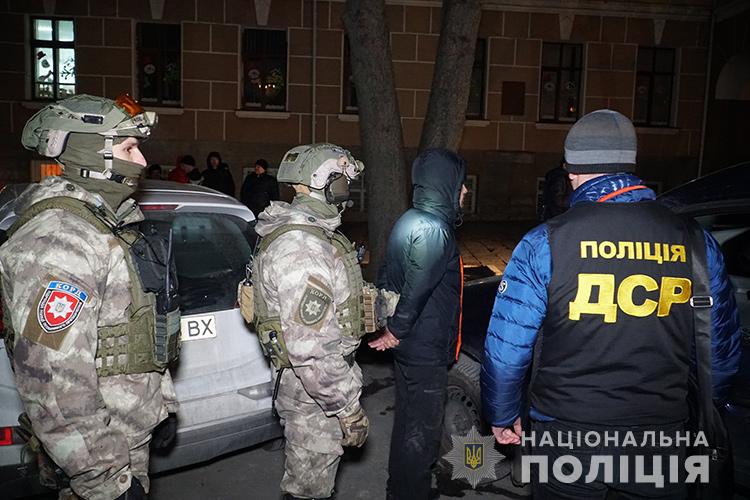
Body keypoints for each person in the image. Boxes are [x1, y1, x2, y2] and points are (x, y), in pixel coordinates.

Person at [481, 109, 742, 499]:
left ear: (571, 173)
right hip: (660, 438)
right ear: (632, 165)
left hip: (566, 436)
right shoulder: (695, 241)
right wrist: (710, 407)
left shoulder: (545, 242)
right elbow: (719, 349)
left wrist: (501, 414)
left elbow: (505, 352)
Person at [0, 94, 181, 500]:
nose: (142, 162)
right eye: (130, 148)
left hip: (123, 439)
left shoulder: (104, 226)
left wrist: (161, 402)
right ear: (92, 154)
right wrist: (105, 480)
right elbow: (52, 382)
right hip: (100, 459)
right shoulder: (61, 241)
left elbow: (133, 328)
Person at [251, 143, 369, 500]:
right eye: (344, 182)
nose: (348, 191)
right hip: (314, 396)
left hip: (313, 389)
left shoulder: (311, 234)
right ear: (326, 182)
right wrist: (347, 409)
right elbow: (312, 350)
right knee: (309, 490)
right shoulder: (302, 247)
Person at [370, 148, 468, 500]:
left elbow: (385, 276)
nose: (465, 192)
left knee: (407, 420)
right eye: (461, 185)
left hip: (410, 344)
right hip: (423, 346)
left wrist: (390, 327)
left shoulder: (408, 219)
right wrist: (395, 330)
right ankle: (411, 492)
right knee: (422, 431)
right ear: (445, 185)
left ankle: (399, 488)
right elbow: (417, 288)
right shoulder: (434, 230)